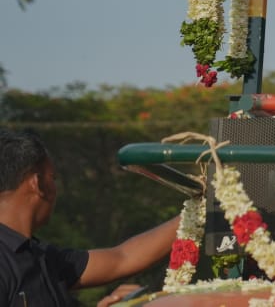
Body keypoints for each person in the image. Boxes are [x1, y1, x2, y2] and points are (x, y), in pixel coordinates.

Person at [0, 129, 180, 306]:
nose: (55, 189)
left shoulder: (41, 256)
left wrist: (197, 211)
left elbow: (122, 258)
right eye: (52, 178)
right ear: (37, 183)